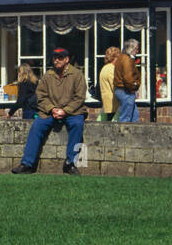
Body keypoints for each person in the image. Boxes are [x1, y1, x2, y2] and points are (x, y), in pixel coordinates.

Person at [11, 46, 86, 175]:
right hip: (50, 111)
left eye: (60, 58)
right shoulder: (47, 76)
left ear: (67, 59)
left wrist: (65, 111)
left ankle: (70, 163)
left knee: (77, 125)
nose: (56, 60)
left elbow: (79, 97)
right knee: (37, 126)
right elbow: (41, 95)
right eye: (55, 58)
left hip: (72, 111)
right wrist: (52, 109)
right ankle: (27, 164)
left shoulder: (77, 75)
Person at [113, 38, 141, 122]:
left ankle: (131, 134)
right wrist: (135, 85)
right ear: (131, 48)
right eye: (136, 49)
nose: (137, 51)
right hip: (126, 91)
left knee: (134, 116)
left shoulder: (122, 58)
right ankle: (123, 135)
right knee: (126, 118)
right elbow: (128, 79)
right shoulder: (127, 60)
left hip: (123, 90)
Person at [97, 45, 120, 121]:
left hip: (108, 105)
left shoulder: (105, 68)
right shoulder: (111, 69)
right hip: (113, 105)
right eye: (118, 57)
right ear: (114, 58)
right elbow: (115, 86)